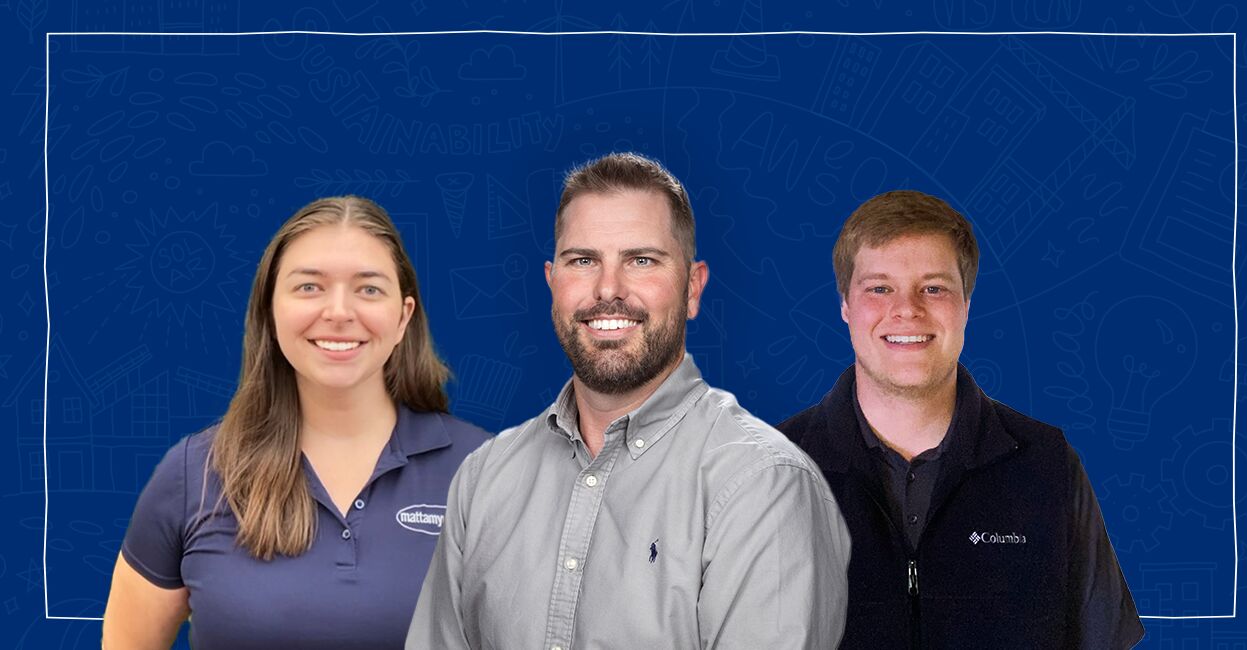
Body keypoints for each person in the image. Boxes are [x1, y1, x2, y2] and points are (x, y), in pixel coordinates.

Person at [406, 152, 851, 649]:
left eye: (641, 260)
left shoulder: (763, 487)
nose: (608, 289)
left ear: (693, 289)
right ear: (552, 283)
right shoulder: (484, 480)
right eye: (583, 260)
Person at [102, 196, 491, 649]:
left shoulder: (484, 470)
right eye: (309, 287)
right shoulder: (194, 475)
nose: (339, 312)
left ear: (403, 317)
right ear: (270, 308)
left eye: (368, 289)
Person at [777, 190, 1145, 648]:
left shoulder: (1047, 467)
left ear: (966, 304)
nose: (907, 309)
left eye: (933, 288)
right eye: (879, 288)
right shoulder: (771, 472)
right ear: (845, 306)